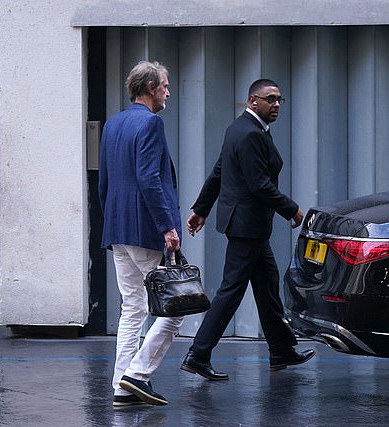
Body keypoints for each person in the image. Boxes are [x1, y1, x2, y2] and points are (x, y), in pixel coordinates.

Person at [180, 79, 315, 381]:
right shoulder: (251, 134)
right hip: (247, 226)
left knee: (267, 285)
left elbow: (219, 171)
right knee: (231, 291)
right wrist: (292, 209)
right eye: (270, 99)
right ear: (253, 101)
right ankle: (198, 354)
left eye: (280, 99)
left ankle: (281, 349)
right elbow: (258, 185)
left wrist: (201, 209)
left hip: (248, 226)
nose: (277, 105)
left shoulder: (238, 129)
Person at [99, 61, 183, 407]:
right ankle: (138, 374)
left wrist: (112, 221)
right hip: (146, 228)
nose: (167, 92)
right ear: (150, 88)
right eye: (164, 86)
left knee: (132, 308)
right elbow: (150, 179)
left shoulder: (113, 124)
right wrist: (167, 226)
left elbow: (103, 181)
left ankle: (122, 387)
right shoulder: (151, 123)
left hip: (118, 227)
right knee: (175, 308)